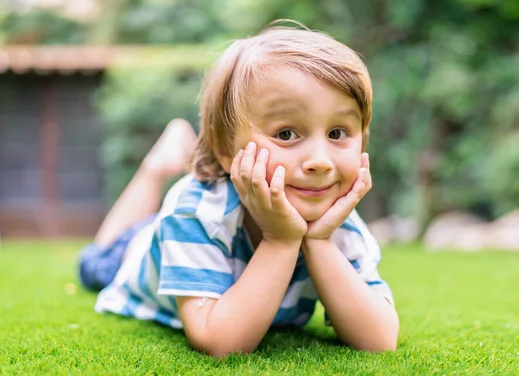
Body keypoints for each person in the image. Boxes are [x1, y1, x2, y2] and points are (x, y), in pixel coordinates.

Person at [78, 25, 400, 357]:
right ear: (225, 149)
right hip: (137, 253)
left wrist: (318, 241)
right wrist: (281, 239)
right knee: (93, 262)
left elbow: (380, 340)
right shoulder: (196, 212)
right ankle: (154, 169)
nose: (320, 161)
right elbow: (218, 342)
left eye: (337, 132)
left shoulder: (337, 219)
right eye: (287, 134)